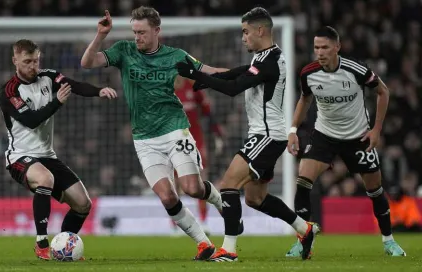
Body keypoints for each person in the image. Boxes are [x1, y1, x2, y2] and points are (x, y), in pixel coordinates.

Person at [80, 7, 233, 260]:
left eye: (142, 32)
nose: (137, 37)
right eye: (134, 32)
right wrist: (100, 35)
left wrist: (246, 74)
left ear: (157, 31)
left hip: (175, 130)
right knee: (167, 196)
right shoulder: (124, 51)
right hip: (144, 139)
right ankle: (203, 244)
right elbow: (87, 63)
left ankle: (218, 201)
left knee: (192, 188)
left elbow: (208, 71)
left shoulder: (176, 56)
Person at [176, 7, 320, 262]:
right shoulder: (266, 56)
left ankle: (229, 250)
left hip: (266, 135)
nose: (243, 37)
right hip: (267, 135)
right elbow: (238, 72)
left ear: (260, 30)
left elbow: (234, 88)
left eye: (245, 32)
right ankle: (304, 228)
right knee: (255, 198)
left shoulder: (269, 61)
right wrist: (207, 78)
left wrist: (195, 75)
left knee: (228, 184)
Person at [286, 26, 406, 257]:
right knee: (302, 180)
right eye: (316, 47)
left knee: (375, 190)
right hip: (324, 135)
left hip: (357, 136)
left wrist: (376, 130)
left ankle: (389, 241)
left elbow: (383, 92)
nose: (320, 52)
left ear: (337, 48)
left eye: (325, 47)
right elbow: (305, 99)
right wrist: (292, 129)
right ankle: (303, 242)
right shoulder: (308, 73)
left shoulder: (356, 70)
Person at [0, 39, 118, 260]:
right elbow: (31, 120)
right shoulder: (9, 91)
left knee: (83, 204)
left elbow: (74, 85)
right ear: (15, 61)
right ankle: (41, 243)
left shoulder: (49, 77)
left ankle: (64, 248)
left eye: (36, 60)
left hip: (47, 156)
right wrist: (57, 103)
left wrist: (99, 91)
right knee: (44, 179)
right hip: (20, 157)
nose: (33, 66)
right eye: (27, 62)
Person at [172, 78, 224, 235]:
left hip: (196, 140)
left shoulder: (193, 86)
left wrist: (218, 134)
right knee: (175, 184)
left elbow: (208, 112)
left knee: (200, 180)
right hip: (174, 141)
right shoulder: (165, 88)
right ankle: (177, 225)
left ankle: (204, 221)